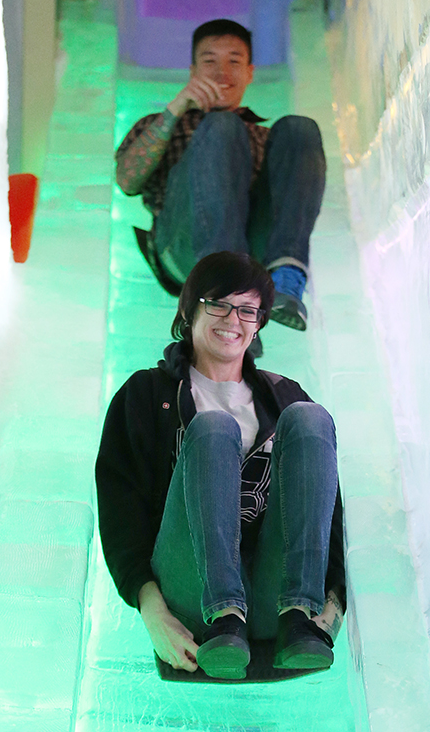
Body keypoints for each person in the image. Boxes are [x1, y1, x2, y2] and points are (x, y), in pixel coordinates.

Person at [95, 252, 345, 680]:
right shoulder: (143, 395)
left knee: (311, 416)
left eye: (247, 309)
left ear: (259, 323)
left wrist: (335, 605)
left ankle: (298, 618)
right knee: (213, 428)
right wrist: (153, 614)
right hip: (194, 598)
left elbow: (327, 509)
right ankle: (226, 616)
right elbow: (121, 512)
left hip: (274, 595)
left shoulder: (285, 396)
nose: (233, 319)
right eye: (218, 304)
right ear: (190, 308)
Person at [115, 18, 326, 332]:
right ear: (192, 71)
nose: (222, 73)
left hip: (252, 250)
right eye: (209, 61)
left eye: (234, 62)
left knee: (299, 129)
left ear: (249, 73)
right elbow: (127, 181)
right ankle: (226, 294)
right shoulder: (163, 123)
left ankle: (285, 278)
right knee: (221, 126)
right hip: (183, 246)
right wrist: (175, 111)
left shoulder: (265, 139)